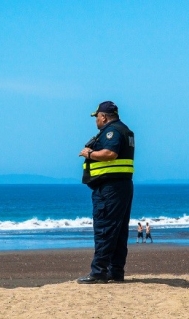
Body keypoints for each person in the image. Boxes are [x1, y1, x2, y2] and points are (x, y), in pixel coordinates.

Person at [77, 101, 135, 284]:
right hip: (121, 186)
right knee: (118, 231)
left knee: (104, 229)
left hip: (110, 189)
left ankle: (98, 272)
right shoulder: (125, 130)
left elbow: (110, 154)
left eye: (97, 118)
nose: (96, 121)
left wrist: (89, 154)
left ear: (103, 117)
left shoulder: (113, 131)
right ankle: (115, 271)